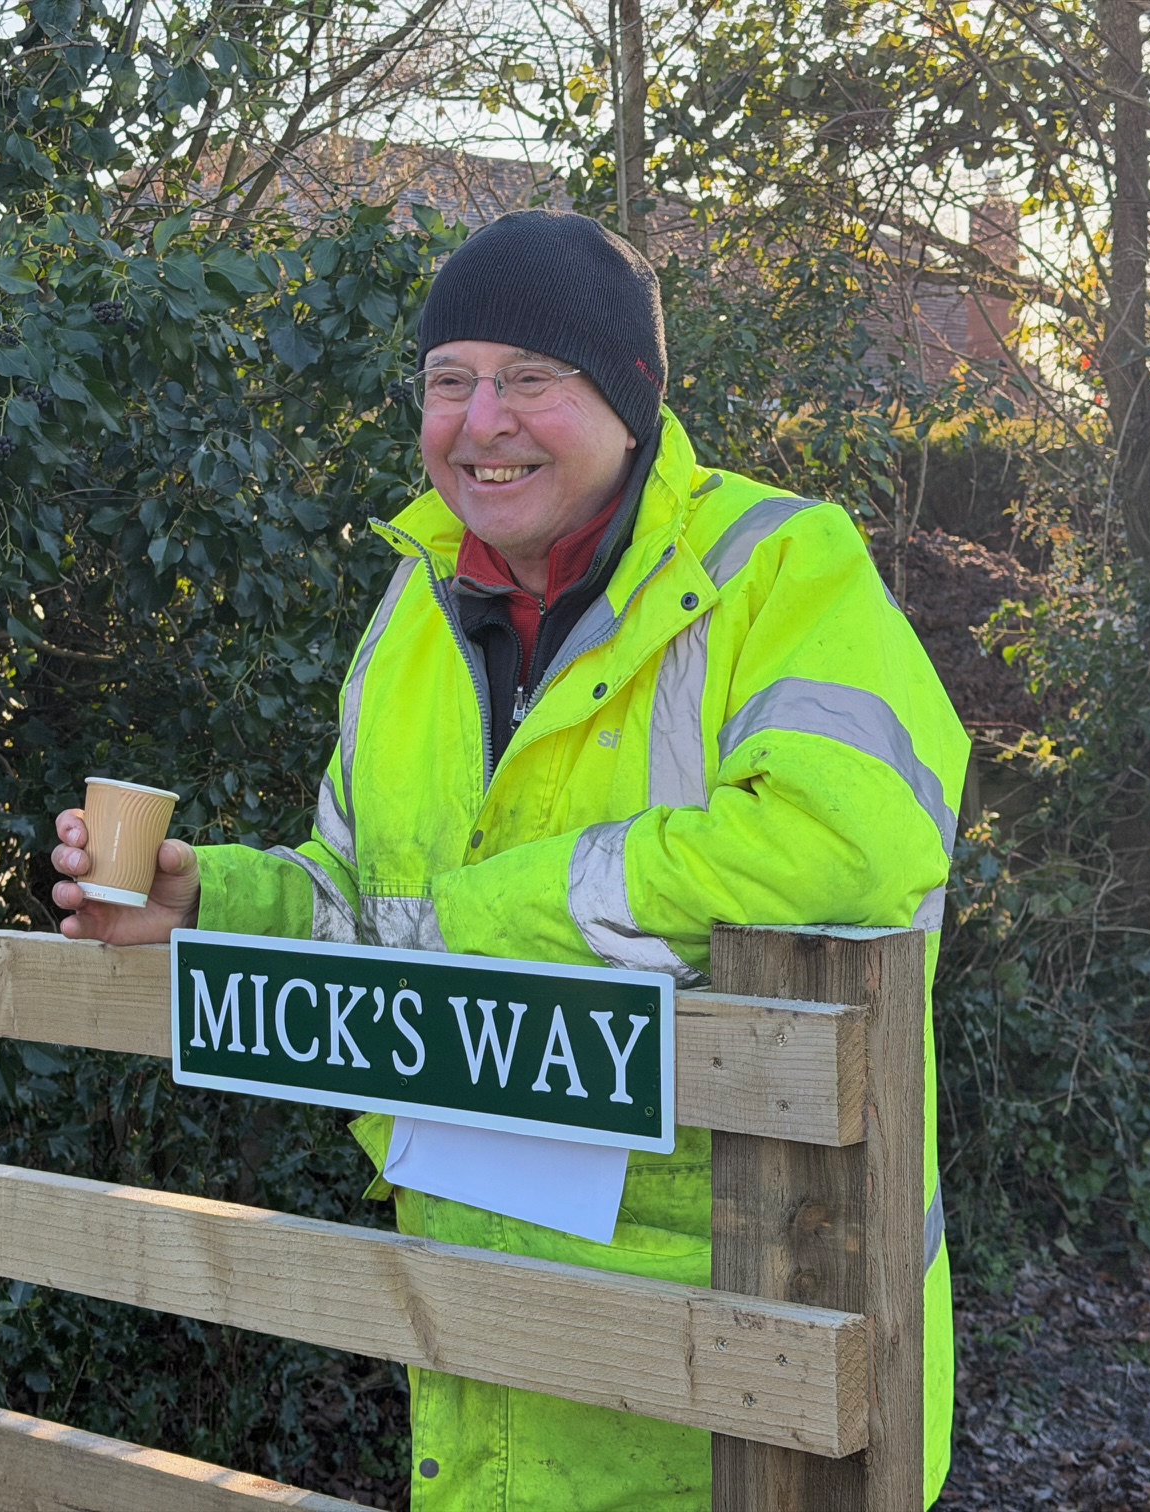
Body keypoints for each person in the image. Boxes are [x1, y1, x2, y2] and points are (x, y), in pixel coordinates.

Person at [53, 208, 965, 1511]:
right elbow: (369, 899)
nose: (482, 421)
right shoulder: (413, 605)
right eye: (448, 381)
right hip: (474, 1334)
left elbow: (849, 849)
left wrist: (497, 919)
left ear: (631, 400)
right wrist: (219, 900)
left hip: (741, 1356)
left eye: (532, 377)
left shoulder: (776, 567)